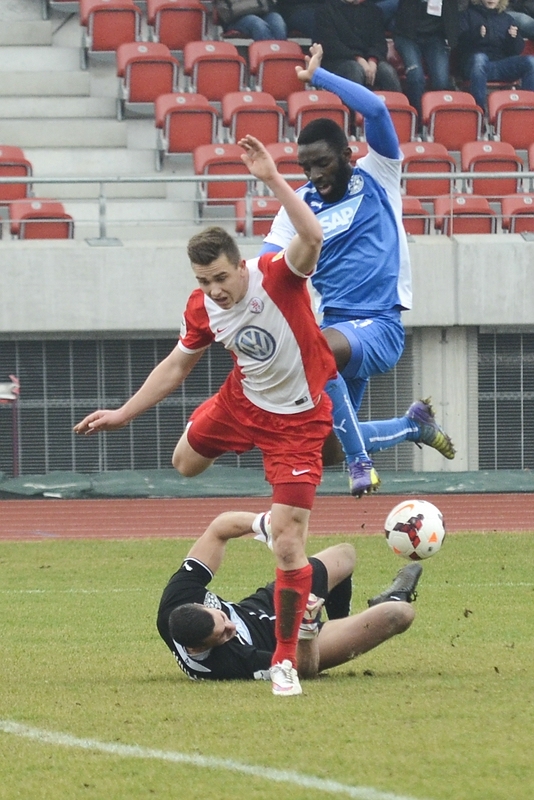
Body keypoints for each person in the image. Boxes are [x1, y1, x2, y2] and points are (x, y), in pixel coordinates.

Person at [74, 135, 337, 697]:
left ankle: (285, 661)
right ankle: (261, 513)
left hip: (297, 422)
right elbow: (176, 365)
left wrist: (270, 177)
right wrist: (123, 414)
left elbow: (312, 236)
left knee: (290, 543)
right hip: (241, 403)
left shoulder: (277, 274)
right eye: (203, 281)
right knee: (184, 464)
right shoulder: (201, 308)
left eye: (220, 278)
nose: (214, 291)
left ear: (239, 266)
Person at [260, 43, 455, 499]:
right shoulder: (297, 207)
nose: (314, 175)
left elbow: (376, 108)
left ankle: (360, 460)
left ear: (348, 154)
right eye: (305, 167)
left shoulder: (379, 173)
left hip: (380, 325)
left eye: (322, 163)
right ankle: (413, 426)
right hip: (335, 329)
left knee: (317, 352)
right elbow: (267, 265)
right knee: (323, 449)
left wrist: (320, 77)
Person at [157, 509, 422, 683]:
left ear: (198, 605)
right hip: (289, 641)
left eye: (223, 618)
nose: (231, 627)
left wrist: (265, 524)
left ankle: (342, 623)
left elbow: (218, 529)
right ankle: (387, 602)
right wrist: (307, 629)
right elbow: (301, 671)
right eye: (224, 635)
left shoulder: (178, 598)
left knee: (345, 555)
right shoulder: (226, 664)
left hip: (263, 605)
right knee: (398, 615)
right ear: (198, 648)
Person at [458, 0, 534, 110]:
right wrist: (476, 34)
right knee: (480, 59)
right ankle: (478, 111)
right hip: (473, 66)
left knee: (531, 62)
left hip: (500, 65)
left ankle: (528, 109)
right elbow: (459, 45)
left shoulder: (507, 18)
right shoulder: (467, 15)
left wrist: (513, 38)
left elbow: (516, 51)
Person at [393, 0, 460, 123]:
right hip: (407, 36)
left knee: (441, 80)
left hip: (435, 38)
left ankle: (437, 123)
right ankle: (417, 123)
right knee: (415, 77)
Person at [316, 0, 403, 92]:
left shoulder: (373, 11)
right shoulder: (325, 11)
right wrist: (358, 59)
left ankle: (396, 101)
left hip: (369, 61)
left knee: (387, 71)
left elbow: (379, 43)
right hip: (338, 62)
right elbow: (331, 45)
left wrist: (372, 60)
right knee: (354, 69)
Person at [216, 0, 288, 39]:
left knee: (277, 22)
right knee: (257, 24)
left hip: (263, 13)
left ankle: (281, 57)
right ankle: (267, 57)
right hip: (236, 19)